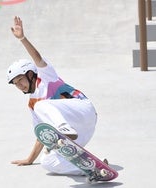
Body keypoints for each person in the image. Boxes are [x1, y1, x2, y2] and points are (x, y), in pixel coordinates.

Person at [7, 16, 98, 175]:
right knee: (48, 162)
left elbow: (37, 57)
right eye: (15, 84)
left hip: (83, 110)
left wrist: (22, 38)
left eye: (20, 80)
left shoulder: (46, 78)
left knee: (41, 105)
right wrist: (30, 159)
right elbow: (42, 134)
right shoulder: (31, 104)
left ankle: (63, 128)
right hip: (81, 131)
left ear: (30, 74)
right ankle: (92, 169)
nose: (19, 85)